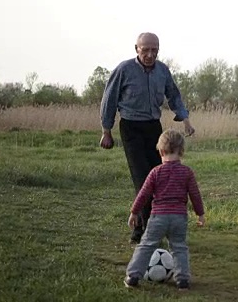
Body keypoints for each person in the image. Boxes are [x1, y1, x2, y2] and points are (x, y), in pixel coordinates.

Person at [100, 32, 195, 243]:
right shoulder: (124, 70)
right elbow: (109, 99)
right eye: (146, 50)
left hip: (154, 127)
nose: (150, 54)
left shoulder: (163, 71)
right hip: (130, 127)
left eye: (154, 50)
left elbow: (174, 95)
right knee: (143, 178)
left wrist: (185, 120)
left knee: (159, 177)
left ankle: (156, 225)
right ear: (136, 49)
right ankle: (141, 229)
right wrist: (107, 130)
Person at [123, 128, 205, 291]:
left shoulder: (155, 172)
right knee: (179, 247)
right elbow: (195, 195)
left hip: (158, 217)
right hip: (179, 218)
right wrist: (200, 214)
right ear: (181, 151)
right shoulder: (187, 172)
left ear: (160, 151)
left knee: (146, 246)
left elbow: (143, 194)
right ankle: (182, 280)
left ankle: (133, 277)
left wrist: (134, 212)